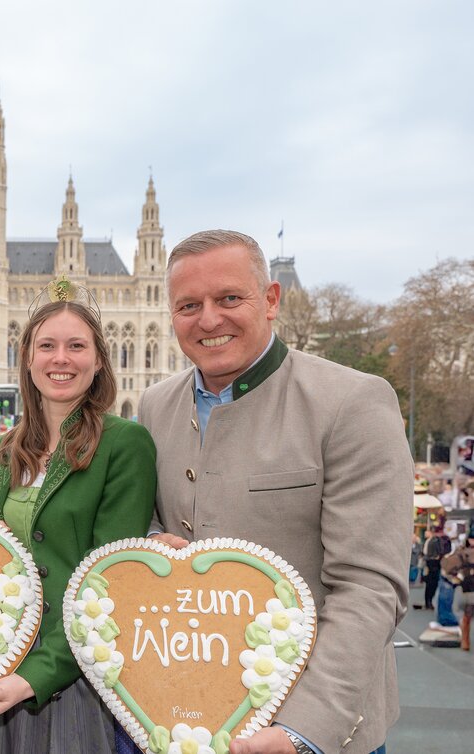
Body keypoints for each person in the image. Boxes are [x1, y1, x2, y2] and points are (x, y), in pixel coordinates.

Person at [139, 230, 410, 754]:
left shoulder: (351, 402)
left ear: (270, 300)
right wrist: (151, 541)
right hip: (191, 717)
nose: (209, 319)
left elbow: (370, 587)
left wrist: (301, 732)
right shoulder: (154, 406)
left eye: (229, 298)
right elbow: (155, 523)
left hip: (318, 729)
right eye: (189, 305)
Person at [0, 285, 157, 753]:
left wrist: (34, 677)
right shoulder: (3, 452)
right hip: (0, 668)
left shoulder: (124, 445)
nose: (60, 359)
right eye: (47, 346)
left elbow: (109, 585)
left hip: (73, 676)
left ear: (99, 360)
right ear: (26, 358)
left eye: (76, 346)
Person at [442, 533, 474, 650]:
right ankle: (465, 641)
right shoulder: (463, 553)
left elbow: (447, 566)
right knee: (467, 616)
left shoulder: (462, 553)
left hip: (467, 588)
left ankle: (465, 642)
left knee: (466, 616)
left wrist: (455, 578)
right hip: (468, 589)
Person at [423, 526, 448, 610]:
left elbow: (440, 550)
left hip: (433, 562)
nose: (425, 534)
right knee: (430, 583)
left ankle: (429, 601)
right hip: (430, 562)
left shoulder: (435, 540)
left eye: (427, 532)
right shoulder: (429, 540)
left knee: (432, 583)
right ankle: (428, 601)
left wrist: (436, 557)